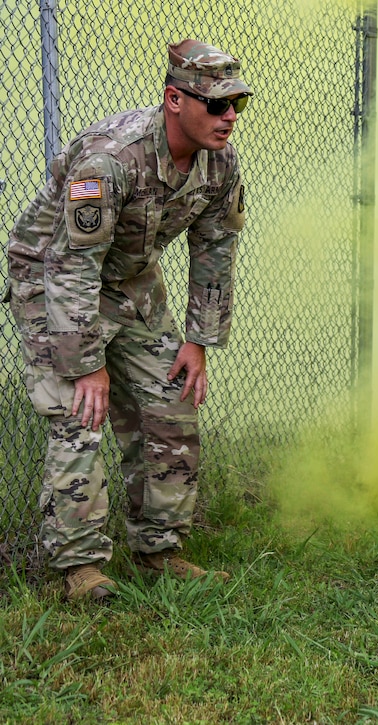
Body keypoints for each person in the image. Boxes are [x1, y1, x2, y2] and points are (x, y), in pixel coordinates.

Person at [2, 39, 252, 601]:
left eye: (237, 102)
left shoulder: (222, 162)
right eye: (216, 104)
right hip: (54, 282)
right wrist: (87, 365)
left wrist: (199, 341)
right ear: (173, 100)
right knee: (80, 414)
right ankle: (79, 569)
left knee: (171, 403)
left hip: (132, 282)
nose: (230, 116)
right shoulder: (112, 159)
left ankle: (158, 550)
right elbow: (71, 263)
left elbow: (216, 248)